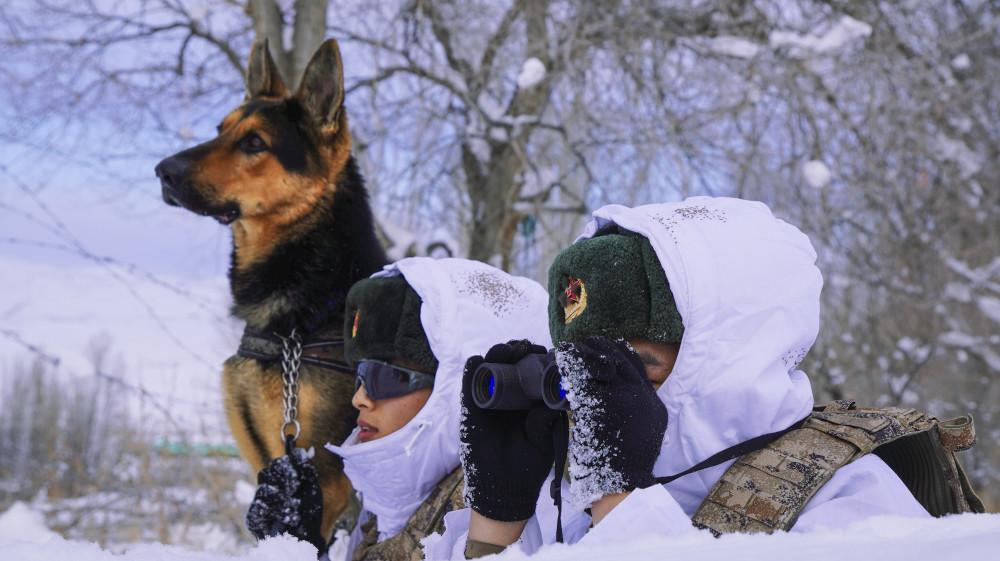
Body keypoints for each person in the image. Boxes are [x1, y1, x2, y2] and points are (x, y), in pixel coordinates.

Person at [425, 196, 932, 559]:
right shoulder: (561, 506)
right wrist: (498, 524)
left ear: (727, 361)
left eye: (634, 367)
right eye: (582, 369)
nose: (592, 400)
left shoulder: (851, 502)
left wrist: (622, 509)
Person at [324, 256, 552, 561]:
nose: (360, 398)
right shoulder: (372, 506)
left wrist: (492, 538)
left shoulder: (538, 510)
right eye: (362, 376)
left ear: (456, 388)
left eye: (387, 377)